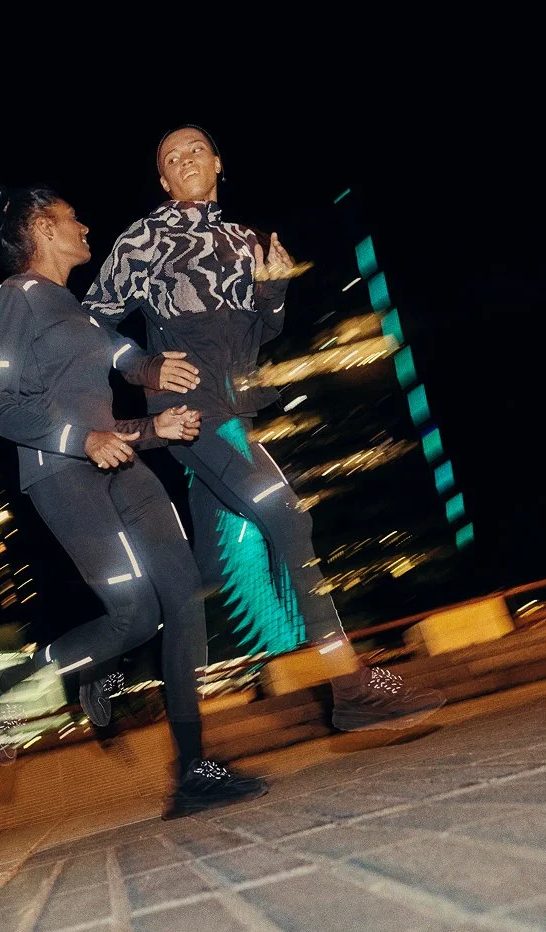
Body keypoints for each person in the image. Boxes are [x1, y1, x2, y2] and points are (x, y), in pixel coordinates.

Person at [0, 126, 267, 818]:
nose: (85, 225)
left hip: (120, 462)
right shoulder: (16, 301)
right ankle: (8, 687)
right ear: (42, 228)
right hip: (63, 478)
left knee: (181, 594)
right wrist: (86, 435)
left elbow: (122, 356)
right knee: (132, 612)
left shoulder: (75, 309)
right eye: (71, 218)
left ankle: (192, 769)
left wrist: (156, 389)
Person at [82, 123, 446, 731]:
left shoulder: (241, 237)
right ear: (163, 178)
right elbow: (90, 322)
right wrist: (142, 365)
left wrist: (273, 290)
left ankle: (113, 660)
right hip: (193, 415)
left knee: (204, 573)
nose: (186, 159)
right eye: (172, 157)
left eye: (196, 149)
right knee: (287, 517)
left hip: (236, 408)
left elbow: (261, 335)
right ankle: (351, 687)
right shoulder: (142, 240)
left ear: (218, 162)